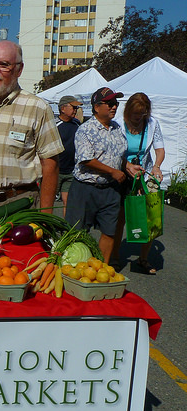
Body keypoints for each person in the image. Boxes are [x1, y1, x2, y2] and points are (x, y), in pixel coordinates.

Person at [0, 40, 63, 216]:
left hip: (18, 205)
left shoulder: (37, 108)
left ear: (19, 69)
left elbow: (51, 165)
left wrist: (45, 215)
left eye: (3, 65)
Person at [65, 87, 142, 264]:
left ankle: (100, 268)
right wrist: (113, 171)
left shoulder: (116, 128)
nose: (114, 107)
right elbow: (86, 159)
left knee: (110, 230)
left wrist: (128, 166)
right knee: (77, 232)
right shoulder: (85, 129)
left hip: (111, 190)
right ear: (96, 107)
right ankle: (73, 268)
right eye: (110, 103)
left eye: (115, 103)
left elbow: (118, 156)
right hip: (85, 189)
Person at [111, 92, 165, 274]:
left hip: (144, 175)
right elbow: (113, 151)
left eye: (142, 114)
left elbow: (160, 149)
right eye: (135, 114)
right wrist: (126, 165)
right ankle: (115, 258)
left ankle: (144, 258)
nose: (138, 118)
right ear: (128, 112)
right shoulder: (118, 123)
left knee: (148, 216)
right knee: (121, 219)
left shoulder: (152, 124)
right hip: (122, 173)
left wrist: (157, 166)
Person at [56, 95, 82, 216]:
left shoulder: (77, 124)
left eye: (76, 108)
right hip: (55, 171)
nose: (75, 110)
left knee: (68, 201)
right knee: (47, 201)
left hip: (71, 171)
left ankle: (67, 229)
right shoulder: (54, 125)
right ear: (62, 108)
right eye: (73, 107)